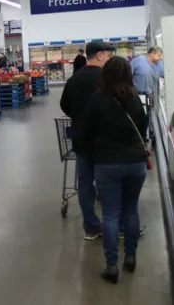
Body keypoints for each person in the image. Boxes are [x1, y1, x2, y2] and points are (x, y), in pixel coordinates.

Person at [76, 56, 148, 283]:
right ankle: (130, 258)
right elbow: (143, 126)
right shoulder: (135, 98)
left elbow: (84, 133)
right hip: (136, 163)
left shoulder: (97, 100)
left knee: (110, 214)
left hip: (107, 164)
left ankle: (111, 266)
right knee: (131, 210)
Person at [60, 41, 116, 240]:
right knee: (108, 183)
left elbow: (64, 105)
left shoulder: (74, 79)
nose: (109, 60)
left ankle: (91, 227)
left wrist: (79, 117)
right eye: (109, 56)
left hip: (81, 140)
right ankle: (115, 227)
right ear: (100, 55)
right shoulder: (107, 79)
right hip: (105, 140)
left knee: (84, 183)